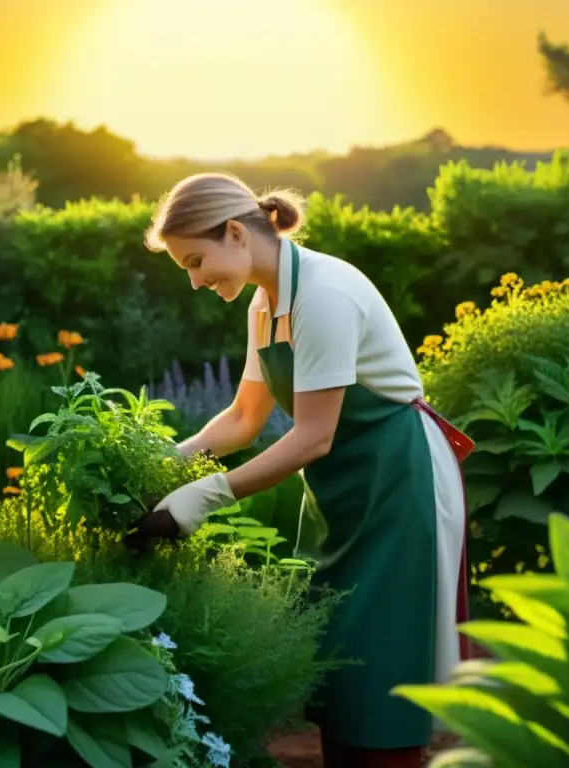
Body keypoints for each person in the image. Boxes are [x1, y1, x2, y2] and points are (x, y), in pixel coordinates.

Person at [126, 172, 472, 768]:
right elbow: (240, 418)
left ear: (235, 232)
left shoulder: (324, 295)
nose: (195, 280)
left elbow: (313, 437)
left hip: (396, 485)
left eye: (195, 260)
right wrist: (160, 466)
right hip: (342, 496)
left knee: (379, 672)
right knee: (336, 668)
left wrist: (200, 498)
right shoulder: (266, 303)